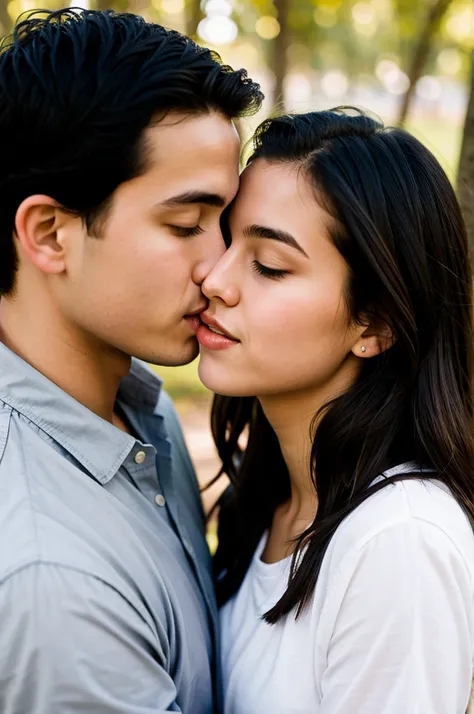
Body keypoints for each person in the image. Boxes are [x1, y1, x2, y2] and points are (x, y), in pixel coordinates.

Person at [0, 8, 262, 713]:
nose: (220, 270)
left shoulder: (138, 408)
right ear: (50, 235)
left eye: (227, 224)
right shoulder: (53, 580)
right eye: (185, 225)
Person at [197, 108, 474, 713]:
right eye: (225, 239)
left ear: (373, 322)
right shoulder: (274, 498)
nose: (215, 280)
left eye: (268, 265)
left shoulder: (400, 543)